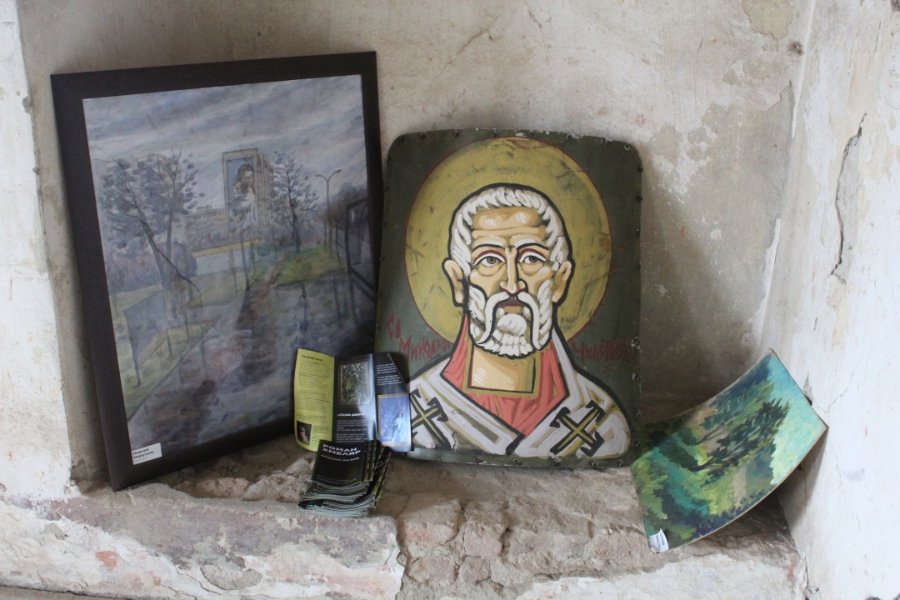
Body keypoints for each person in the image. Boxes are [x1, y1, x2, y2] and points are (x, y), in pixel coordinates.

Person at [409, 184, 631, 459]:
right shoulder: (418, 411)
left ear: (559, 281)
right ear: (459, 282)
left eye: (531, 259)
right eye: (489, 260)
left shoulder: (602, 425)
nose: (512, 283)